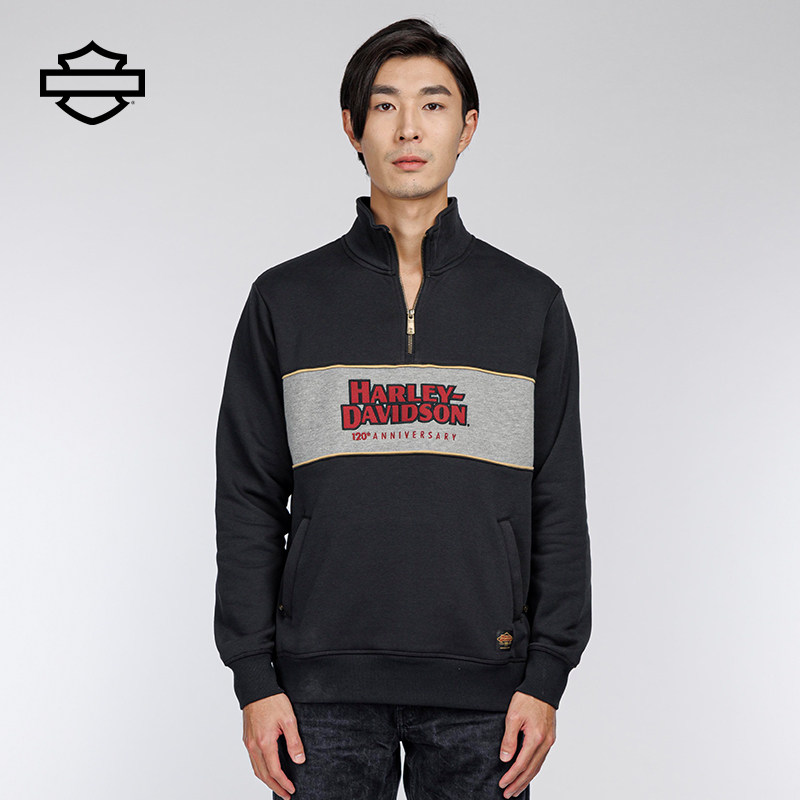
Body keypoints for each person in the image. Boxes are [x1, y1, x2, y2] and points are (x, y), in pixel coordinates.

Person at [214, 17, 592, 800]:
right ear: (352, 127)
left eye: (433, 104)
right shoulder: (284, 300)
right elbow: (247, 497)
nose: (410, 128)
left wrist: (547, 675)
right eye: (385, 106)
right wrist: (254, 676)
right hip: (317, 694)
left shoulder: (529, 304)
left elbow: (558, 500)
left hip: (488, 693)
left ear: (468, 127)